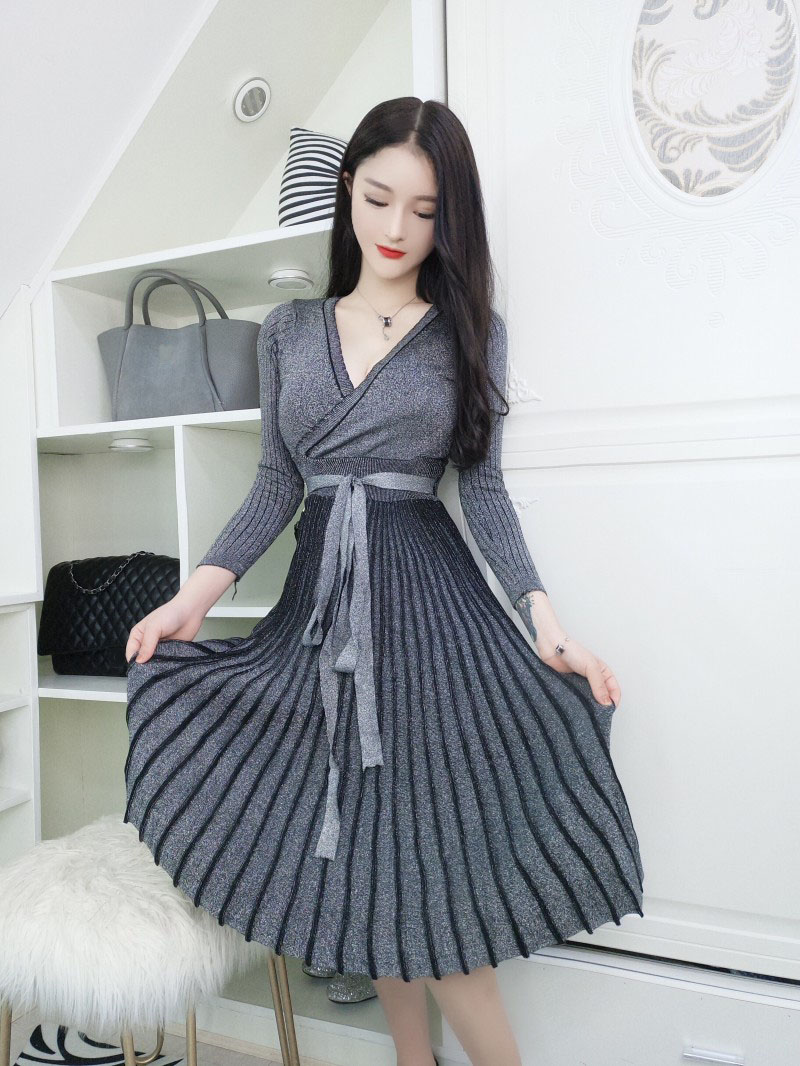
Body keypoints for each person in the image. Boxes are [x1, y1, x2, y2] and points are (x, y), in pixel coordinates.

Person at [123, 97, 644, 1066]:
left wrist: (544, 619)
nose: (397, 228)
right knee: (371, 871)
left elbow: (481, 489)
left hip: (428, 617)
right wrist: (193, 598)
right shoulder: (287, 330)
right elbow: (275, 484)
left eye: (425, 209)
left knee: (431, 879)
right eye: (377, 198)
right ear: (347, 191)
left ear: (451, 218)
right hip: (320, 615)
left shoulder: (470, 330)